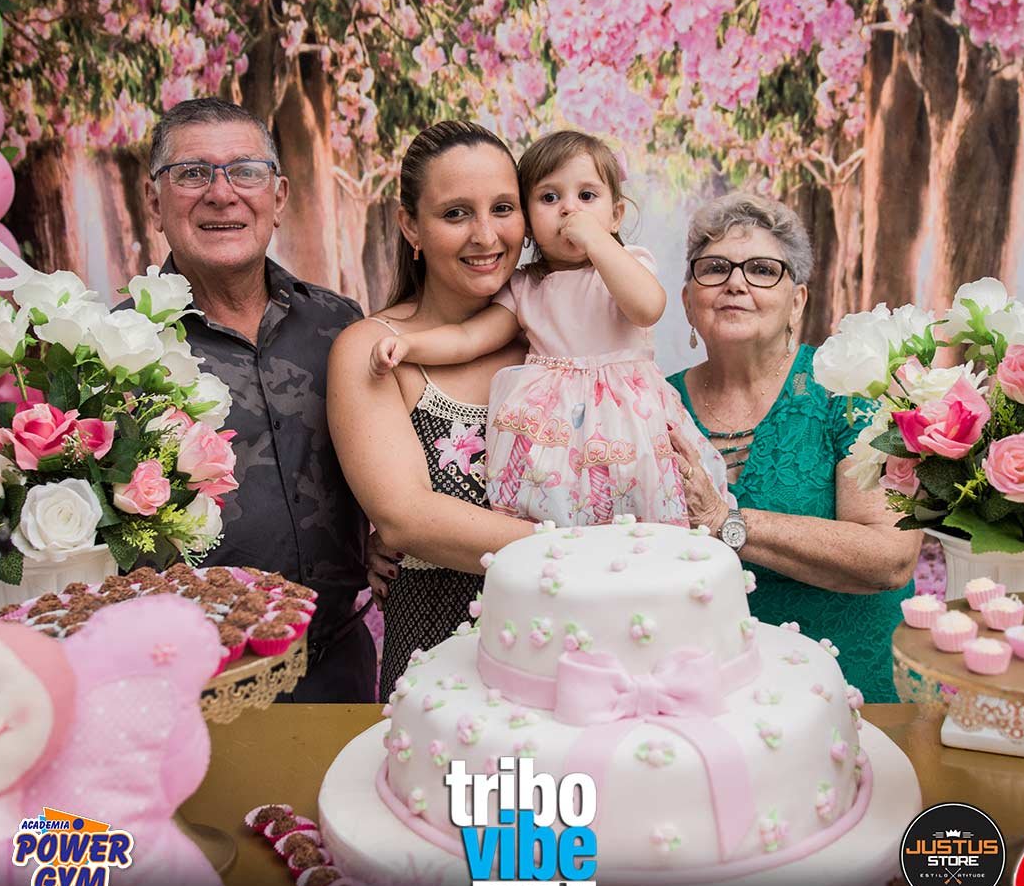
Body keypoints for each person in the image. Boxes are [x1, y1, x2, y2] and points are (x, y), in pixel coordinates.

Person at [370, 130, 731, 527]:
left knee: (644, 519)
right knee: (558, 514)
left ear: (616, 215)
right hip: (556, 438)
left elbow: (648, 309)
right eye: (549, 198)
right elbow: (469, 338)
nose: (569, 209)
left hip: (627, 426)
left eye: (587, 196)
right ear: (527, 223)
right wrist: (410, 345)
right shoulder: (526, 287)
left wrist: (598, 242)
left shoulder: (625, 267)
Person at [141, 97, 374, 702]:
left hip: (339, 662)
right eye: (192, 173)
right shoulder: (118, 351)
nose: (222, 194)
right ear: (154, 203)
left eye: (245, 171)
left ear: (279, 195)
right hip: (190, 685)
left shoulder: (339, 324)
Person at [664, 191, 921, 703]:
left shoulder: (849, 392)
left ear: (797, 302)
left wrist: (726, 522)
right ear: (689, 300)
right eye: (714, 268)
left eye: (762, 270)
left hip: (848, 688)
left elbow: (891, 556)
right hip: (705, 694)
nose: (736, 283)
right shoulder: (654, 403)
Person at [328, 121, 536, 701]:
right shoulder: (375, 350)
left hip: (569, 643)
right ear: (410, 226)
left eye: (503, 208)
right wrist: (585, 553)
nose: (485, 235)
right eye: (455, 214)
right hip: (439, 656)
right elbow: (407, 518)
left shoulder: (557, 337)